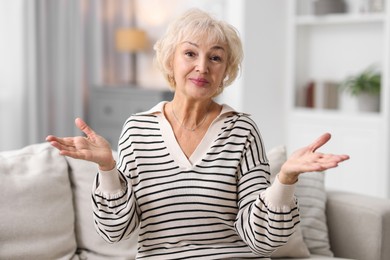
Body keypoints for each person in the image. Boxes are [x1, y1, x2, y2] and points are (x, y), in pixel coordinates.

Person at [46, 8, 349, 259]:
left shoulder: (241, 130)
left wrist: (285, 179)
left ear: (224, 72)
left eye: (215, 58)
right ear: (170, 61)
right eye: (190, 53)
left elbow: (262, 239)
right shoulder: (137, 130)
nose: (202, 67)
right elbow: (116, 231)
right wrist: (108, 168)